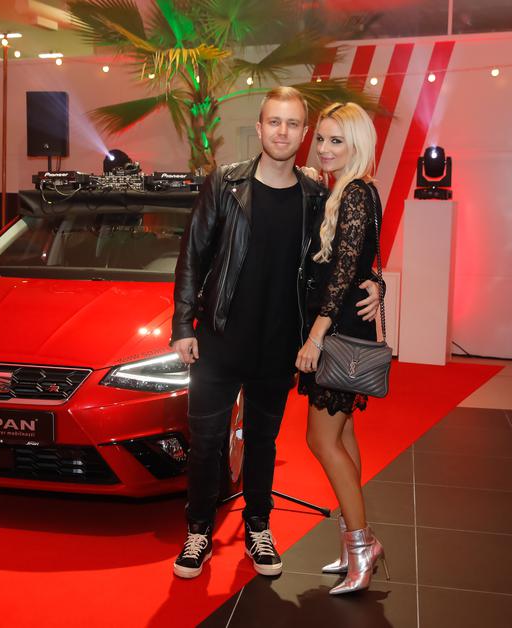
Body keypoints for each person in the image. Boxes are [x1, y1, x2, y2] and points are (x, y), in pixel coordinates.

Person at [169, 87, 380, 580]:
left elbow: (342, 258)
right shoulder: (225, 182)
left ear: (303, 133)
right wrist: (182, 324)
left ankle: (258, 527)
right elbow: (192, 254)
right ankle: (198, 531)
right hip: (219, 337)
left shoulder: (317, 196)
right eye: (274, 122)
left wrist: (376, 281)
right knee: (206, 442)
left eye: (293, 124)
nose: (283, 132)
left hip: (281, 343)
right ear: (260, 127)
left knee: (263, 443)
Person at [295, 101, 388, 595]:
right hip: (346, 326)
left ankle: (361, 545)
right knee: (344, 435)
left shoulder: (352, 193)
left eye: (337, 140)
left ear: (357, 144)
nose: (325, 148)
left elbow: (343, 274)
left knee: (322, 440)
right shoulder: (356, 190)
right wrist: (378, 283)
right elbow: (363, 264)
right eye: (322, 139)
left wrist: (315, 336)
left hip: (336, 331)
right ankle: (357, 540)